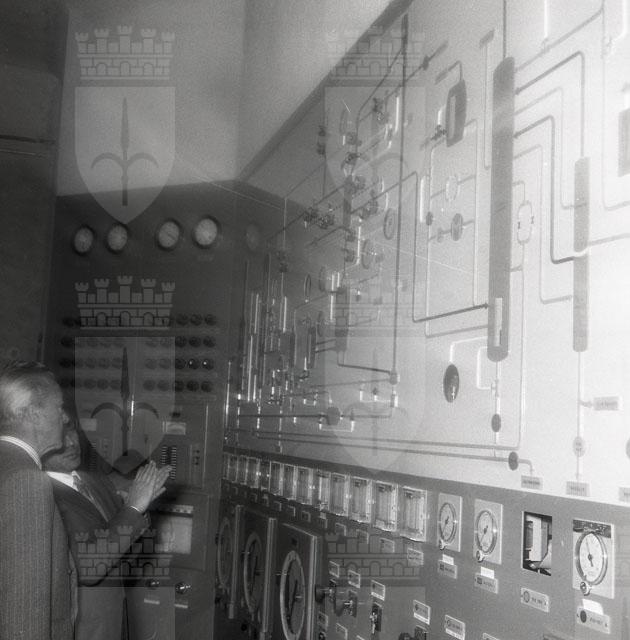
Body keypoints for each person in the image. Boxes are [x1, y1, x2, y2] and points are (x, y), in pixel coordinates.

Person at [43, 422, 170, 640]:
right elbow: (88, 567)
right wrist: (133, 508)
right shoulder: (44, 495)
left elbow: (120, 558)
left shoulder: (95, 483)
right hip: (83, 630)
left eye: (71, 430)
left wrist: (138, 510)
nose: (71, 442)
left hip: (113, 621)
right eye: (61, 435)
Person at [0, 360, 76, 640]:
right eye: (59, 407)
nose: (65, 418)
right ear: (33, 413)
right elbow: (24, 610)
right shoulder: (26, 481)